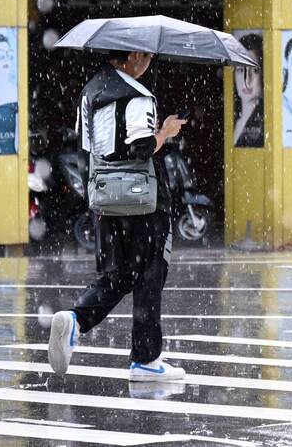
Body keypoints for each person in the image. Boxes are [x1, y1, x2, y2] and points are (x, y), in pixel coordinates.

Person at [48, 50, 188, 381]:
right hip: (144, 202)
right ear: (135, 54)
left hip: (104, 199)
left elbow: (87, 150)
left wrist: (94, 198)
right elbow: (139, 148)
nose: (149, 64)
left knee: (119, 274)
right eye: (149, 58)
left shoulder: (91, 92)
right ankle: (146, 360)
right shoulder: (137, 95)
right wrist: (165, 132)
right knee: (150, 276)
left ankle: (76, 319)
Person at [233, 33, 264, 147]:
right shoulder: (229, 118)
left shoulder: (267, 123)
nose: (247, 79)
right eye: (241, 70)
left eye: (254, 70)